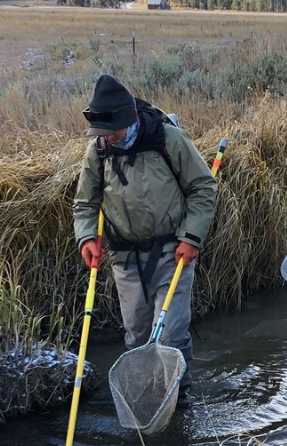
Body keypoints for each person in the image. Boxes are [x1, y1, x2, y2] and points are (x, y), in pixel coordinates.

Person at [72, 74, 217, 406]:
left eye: (113, 132)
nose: (108, 138)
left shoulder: (169, 140)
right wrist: (86, 239)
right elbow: (85, 203)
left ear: (129, 120)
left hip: (172, 252)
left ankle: (178, 399)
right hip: (124, 257)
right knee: (137, 336)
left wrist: (191, 238)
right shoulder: (98, 151)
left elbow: (203, 189)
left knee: (170, 335)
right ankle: (147, 398)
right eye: (102, 134)